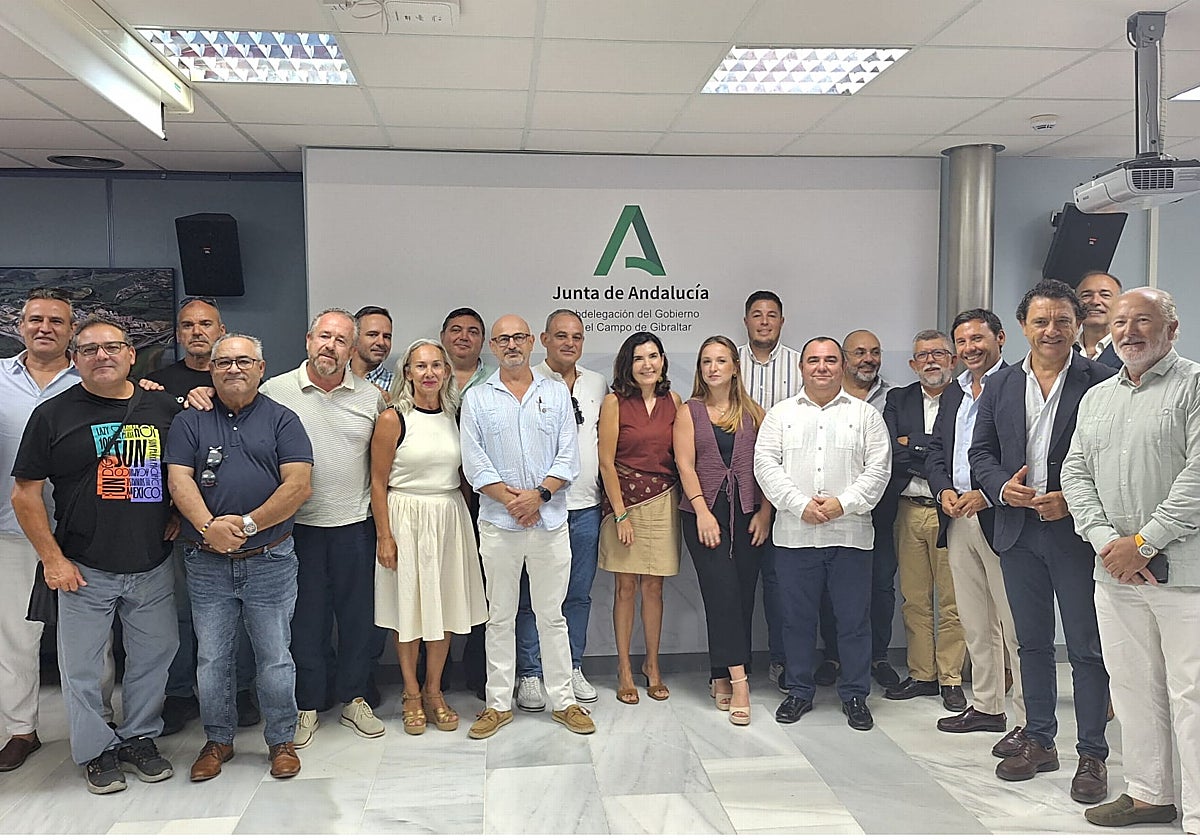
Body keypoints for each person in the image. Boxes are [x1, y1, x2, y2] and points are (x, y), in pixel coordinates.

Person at [11, 315, 181, 794]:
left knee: (154, 656)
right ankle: (95, 751)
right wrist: (52, 559)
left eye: (112, 347)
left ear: (131, 354)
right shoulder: (52, 415)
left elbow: (183, 473)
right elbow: (25, 493)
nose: (102, 356)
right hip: (84, 565)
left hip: (151, 563)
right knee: (82, 667)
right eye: (89, 350)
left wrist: (179, 516)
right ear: (75, 359)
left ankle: (140, 738)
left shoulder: (163, 407)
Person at [969, 279, 1115, 803]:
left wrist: (1072, 502)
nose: (1051, 330)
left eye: (1061, 321)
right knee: (1030, 642)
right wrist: (999, 487)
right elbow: (980, 452)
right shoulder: (1002, 384)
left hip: (1075, 534)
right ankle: (1040, 737)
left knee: (1085, 647)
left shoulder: (1104, 380)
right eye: (1040, 321)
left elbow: (1113, 461)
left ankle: (1093, 753)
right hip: (1016, 531)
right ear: (1023, 328)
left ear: (1077, 326)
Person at [1062, 287, 1198, 832]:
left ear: (1172, 328)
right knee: (1133, 686)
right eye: (1120, 322)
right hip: (1112, 573)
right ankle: (1149, 794)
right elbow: (1075, 475)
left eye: (1143, 321)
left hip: (1185, 574)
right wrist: (1104, 542)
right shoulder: (1097, 398)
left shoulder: (1194, 387)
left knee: (1191, 691)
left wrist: (1142, 544)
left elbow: (1197, 479)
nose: (1129, 331)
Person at [165, 334, 313, 782]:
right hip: (205, 560)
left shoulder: (283, 419)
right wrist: (211, 528)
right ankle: (218, 740)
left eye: (243, 361)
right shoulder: (190, 421)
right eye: (223, 362)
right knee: (212, 658)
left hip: (270, 558)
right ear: (210, 369)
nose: (233, 369)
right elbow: (179, 480)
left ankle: (281, 740)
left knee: (274, 656)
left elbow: (298, 486)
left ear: (261, 369)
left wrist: (246, 525)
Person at [257, 309, 387, 747]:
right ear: (308, 340)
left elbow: (381, 467)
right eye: (323, 337)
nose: (330, 346)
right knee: (306, 620)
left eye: (341, 341)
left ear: (353, 351)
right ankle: (307, 704)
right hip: (297, 529)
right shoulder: (275, 392)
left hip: (355, 525)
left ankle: (353, 698)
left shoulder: (371, 398)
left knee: (358, 620)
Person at [459, 315, 593, 739]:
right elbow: (474, 462)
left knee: (552, 615)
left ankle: (564, 701)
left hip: (550, 522)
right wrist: (513, 501)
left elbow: (568, 457)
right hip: (499, 524)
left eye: (519, 337)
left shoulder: (555, 394)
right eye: (503, 339)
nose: (512, 344)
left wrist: (539, 496)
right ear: (493, 347)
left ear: (533, 341)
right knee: (499, 617)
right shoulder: (478, 398)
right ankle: (497, 704)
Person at [754, 336, 891, 731]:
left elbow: (878, 471)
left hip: (849, 535)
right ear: (802, 367)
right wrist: (800, 505)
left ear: (842, 366)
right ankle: (798, 690)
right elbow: (765, 466)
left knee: (853, 621)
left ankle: (855, 695)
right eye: (813, 360)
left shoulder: (866, 416)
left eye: (831, 360)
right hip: (795, 536)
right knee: (795, 620)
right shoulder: (780, 416)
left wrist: (840, 504)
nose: (822, 367)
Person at [142, 296, 258, 736]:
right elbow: (148, 455)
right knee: (182, 612)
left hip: (237, 519)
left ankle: (242, 690)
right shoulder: (154, 384)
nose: (197, 332)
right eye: (188, 325)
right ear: (178, 334)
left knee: (242, 612)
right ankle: (180, 694)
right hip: (177, 519)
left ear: (221, 330)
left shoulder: (240, 378)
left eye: (206, 324)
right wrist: (174, 510)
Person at [371, 339, 487, 735]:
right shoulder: (393, 418)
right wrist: (385, 535)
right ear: (408, 373)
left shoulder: (456, 415)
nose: (430, 373)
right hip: (406, 517)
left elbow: (466, 475)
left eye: (437, 365)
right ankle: (411, 693)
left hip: (449, 517)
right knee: (410, 610)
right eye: (420, 366)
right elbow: (377, 482)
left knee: (446, 607)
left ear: (447, 372)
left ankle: (436, 691)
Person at [926, 309, 1026, 757]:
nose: (969, 348)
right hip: (958, 517)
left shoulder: (1018, 385)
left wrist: (990, 494)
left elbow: (1025, 454)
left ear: (1000, 339)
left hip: (1001, 517)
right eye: (962, 342)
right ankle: (988, 705)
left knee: (1016, 624)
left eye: (978, 339)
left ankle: (1028, 719)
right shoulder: (954, 393)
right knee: (974, 619)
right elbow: (935, 453)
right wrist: (943, 489)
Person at [0, 288, 80, 772]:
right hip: (9, 528)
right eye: (35, 319)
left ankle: (94, 724)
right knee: (16, 635)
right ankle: (20, 729)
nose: (44, 327)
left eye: (56, 321)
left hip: (80, 529)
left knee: (87, 636)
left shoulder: (93, 376)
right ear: (20, 326)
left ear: (72, 331)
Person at [675, 335, 772, 725]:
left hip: (748, 512)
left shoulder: (755, 413)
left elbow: (768, 467)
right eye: (705, 362)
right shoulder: (689, 411)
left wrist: (765, 512)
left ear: (735, 366)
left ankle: (719, 673)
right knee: (722, 593)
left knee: (743, 596)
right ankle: (740, 681)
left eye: (720, 360)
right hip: (704, 513)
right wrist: (702, 512)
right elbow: (685, 465)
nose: (713, 368)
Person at [514, 310, 606, 710]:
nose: (570, 343)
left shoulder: (598, 384)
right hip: (541, 508)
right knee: (533, 597)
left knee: (578, 595)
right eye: (561, 336)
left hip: (585, 508)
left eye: (577, 337)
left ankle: (570, 667)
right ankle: (532, 674)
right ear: (544, 338)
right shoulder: (525, 381)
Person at [882, 330, 967, 712]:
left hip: (951, 512)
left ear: (953, 360)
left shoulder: (966, 398)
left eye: (938, 354)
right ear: (912, 364)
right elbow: (888, 451)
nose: (930, 361)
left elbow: (959, 454)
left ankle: (951, 677)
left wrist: (912, 443)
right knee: (914, 599)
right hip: (908, 509)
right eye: (922, 355)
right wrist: (930, 446)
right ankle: (922, 674)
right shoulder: (897, 399)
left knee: (952, 601)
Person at [598, 331, 683, 705]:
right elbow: (605, 461)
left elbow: (682, 457)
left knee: (655, 587)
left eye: (653, 356)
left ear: (663, 360)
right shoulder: (614, 402)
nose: (647, 364)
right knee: (626, 588)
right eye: (638, 358)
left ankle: (652, 665)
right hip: (625, 504)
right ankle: (624, 669)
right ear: (627, 366)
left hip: (663, 500)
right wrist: (620, 515)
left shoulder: (674, 401)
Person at [816, 329, 899, 689]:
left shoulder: (896, 397)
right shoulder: (825, 399)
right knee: (830, 588)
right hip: (826, 509)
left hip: (881, 506)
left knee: (880, 584)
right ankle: (833, 656)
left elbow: (901, 451)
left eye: (875, 352)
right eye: (860, 352)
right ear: (845, 359)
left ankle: (877, 656)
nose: (869, 359)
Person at [737, 290, 801, 692]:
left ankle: (782, 661)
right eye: (757, 315)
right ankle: (736, 665)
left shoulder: (800, 364)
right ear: (746, 320)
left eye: (771, 315)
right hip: (738, 490)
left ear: (782, 320)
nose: (764, 321)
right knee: (739, 586)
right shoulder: (729, 362)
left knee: (784, 587)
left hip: (789, 492)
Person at [439, 306, 494, 699]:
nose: (463, 336)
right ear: (443, 336)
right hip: (437, 499)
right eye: (456, 330)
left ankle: (480, 672)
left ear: (482, 341)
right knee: (436, 584)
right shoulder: (423, 378)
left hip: (483, 499)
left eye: (472, 331)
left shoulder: (495, 383)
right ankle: (433, 678)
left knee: (485, 586)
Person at [1074, 271, 1122, 369]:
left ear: (1120, 303)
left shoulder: (1132, 351)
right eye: (1086, 295)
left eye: (1105, 295)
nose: (1095, 301)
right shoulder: (1063, 350)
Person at [351, 305, 394, 391]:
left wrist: (390, 404)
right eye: (373, 335)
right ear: (354, 337)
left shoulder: (399, 387)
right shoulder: (332, 380)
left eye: (386, 337)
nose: (381, 342)